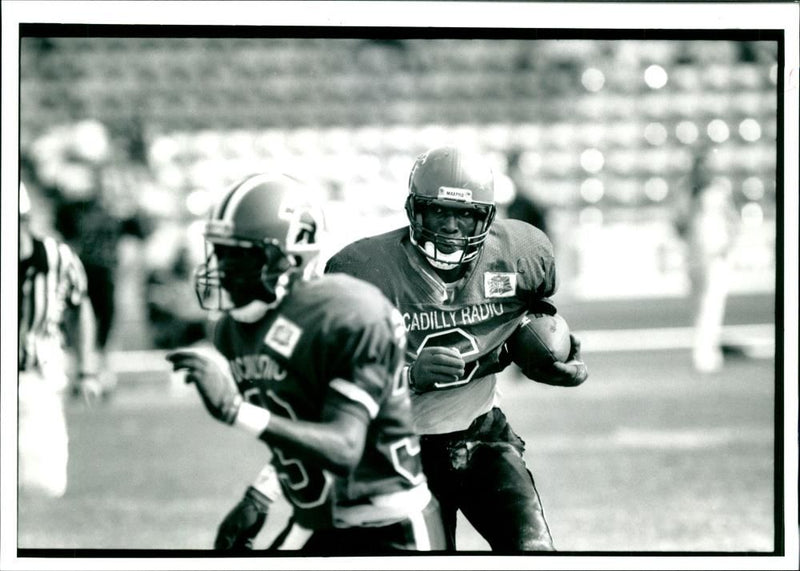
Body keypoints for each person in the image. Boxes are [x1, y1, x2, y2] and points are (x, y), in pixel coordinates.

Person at [324, 145, 589, 551]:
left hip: (481, 435)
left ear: (486, 216)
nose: (451, 226)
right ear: (415, 211)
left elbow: (535, 319)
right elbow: (335, 378)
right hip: (398, 451)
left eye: (465, 214)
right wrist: (408, 375)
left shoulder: (518, 255)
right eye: (439, 211)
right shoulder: (365, 271)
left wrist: (561, 357)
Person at [166, 173, 445, 553]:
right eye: (221, 253)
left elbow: (345, 447)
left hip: (390, 523)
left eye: (242, 256)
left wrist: (234, 411)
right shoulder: (233, 332)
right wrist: (260, 495)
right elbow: (298, 426)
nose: (226, 269)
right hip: (317, 518)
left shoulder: (349, 315)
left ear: (295, 255)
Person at [18, 181, 102, 499]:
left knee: (44, 484)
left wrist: (88, 370)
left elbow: (81, 309)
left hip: (39, 376)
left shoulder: (57, 258)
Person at [675, 151, 740, 373]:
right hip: (694, 258)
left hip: (716, 257)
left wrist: (726, 246)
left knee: (712, 306)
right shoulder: (686, 190)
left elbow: (733, 220)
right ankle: (704, 352)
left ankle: (706, 355)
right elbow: (678, 224)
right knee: (698, 307)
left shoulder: (720, 190)